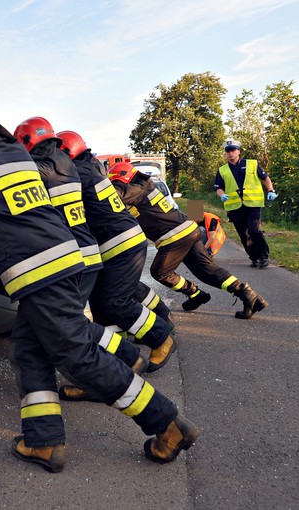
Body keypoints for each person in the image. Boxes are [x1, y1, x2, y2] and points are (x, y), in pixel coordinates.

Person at [0, 98, 199, 472]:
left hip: (40, 273)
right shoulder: (15, 155)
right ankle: (43, 441)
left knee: (78, 357)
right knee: (28, 351)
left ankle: (166, 424)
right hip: (62, 262)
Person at [13, 117, 146, 375]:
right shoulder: (69, 165)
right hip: (88, 253)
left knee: (70, 321)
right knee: (74, 318)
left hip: (76, 258)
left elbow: (14, 174)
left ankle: (124, 360)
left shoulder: (45, 168)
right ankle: (127, 356)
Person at [55, 130, 177, 377]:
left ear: (67, 153)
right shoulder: (91, 166)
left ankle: (161, 336)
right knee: (100, 304)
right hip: (117, 242)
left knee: (115, 302)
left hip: (120, 244)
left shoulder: (77, 172)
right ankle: (117, 356)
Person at [108, 162, 268, 320]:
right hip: (188, 229)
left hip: (174, 236)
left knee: (159, 272)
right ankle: (248, 295)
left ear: (122, 179)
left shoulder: (135, 189)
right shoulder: (144, 185)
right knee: (207, 271)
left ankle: (195, 293)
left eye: (115, 183)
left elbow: (114, 196)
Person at [214, 139, 278, 268]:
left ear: (238, 151)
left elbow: (265, 178)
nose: (230, 153)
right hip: (234, 206)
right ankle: (254, 257)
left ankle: (263, 256)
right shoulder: (222, 170)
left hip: (253, 204)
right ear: (225, 154)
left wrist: (271, 190)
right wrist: (222, 195)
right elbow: (218, 188)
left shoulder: (251, 164)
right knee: (243, 234)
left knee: (254, 230)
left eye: (233, 150)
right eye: (228, 151)